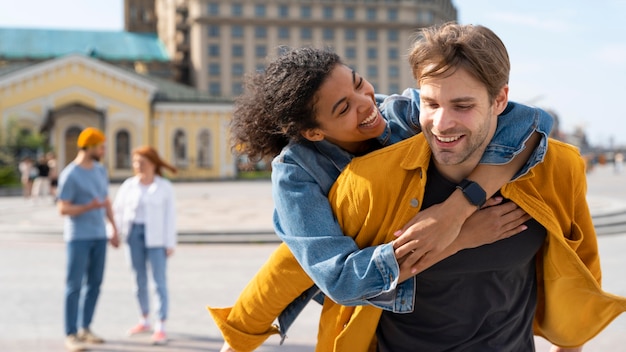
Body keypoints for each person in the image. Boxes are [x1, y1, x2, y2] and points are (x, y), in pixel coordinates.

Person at [209, 46, 553, 351]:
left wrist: (457, 209)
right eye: (344, 108)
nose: (366, 105)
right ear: (314, 132)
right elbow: (340, 279)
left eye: (359, 83)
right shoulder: (296, 174)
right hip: (374, 316)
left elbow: (529, 120)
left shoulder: (400, 110)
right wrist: (458, 237)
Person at [315, 23, 625, 351]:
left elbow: (580, 278)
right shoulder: (368, 180)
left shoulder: (556, 168)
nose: (442, 123)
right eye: (431, 104)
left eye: (462, 106)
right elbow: (336, 292)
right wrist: (457, 236)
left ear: (500, 100)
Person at [57, 127, 119, 352]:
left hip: (99, 236)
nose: (104, 151)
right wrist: (87, 207)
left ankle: (85, 327)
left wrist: (114, 228)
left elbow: (106, 201)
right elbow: (62, 208)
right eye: (101, 147)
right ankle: (71, 334)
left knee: (95, 284)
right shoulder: (70, 174)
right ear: (91, 146)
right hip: (78, 238)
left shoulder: (100, 171)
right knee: (74, 286)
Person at [112, 146, 177, 345]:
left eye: (143, 162)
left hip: (156, 239)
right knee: (138, 280)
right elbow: (118, 211)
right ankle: (144, 319)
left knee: (159, 281)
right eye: (135, 162)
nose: (138, 166)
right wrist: (114, 233)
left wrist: (169, 242)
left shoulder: (164, 187)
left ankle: (161, 325)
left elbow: (170, 217)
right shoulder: (128, 186)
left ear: (153, 164)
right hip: (133, 236)